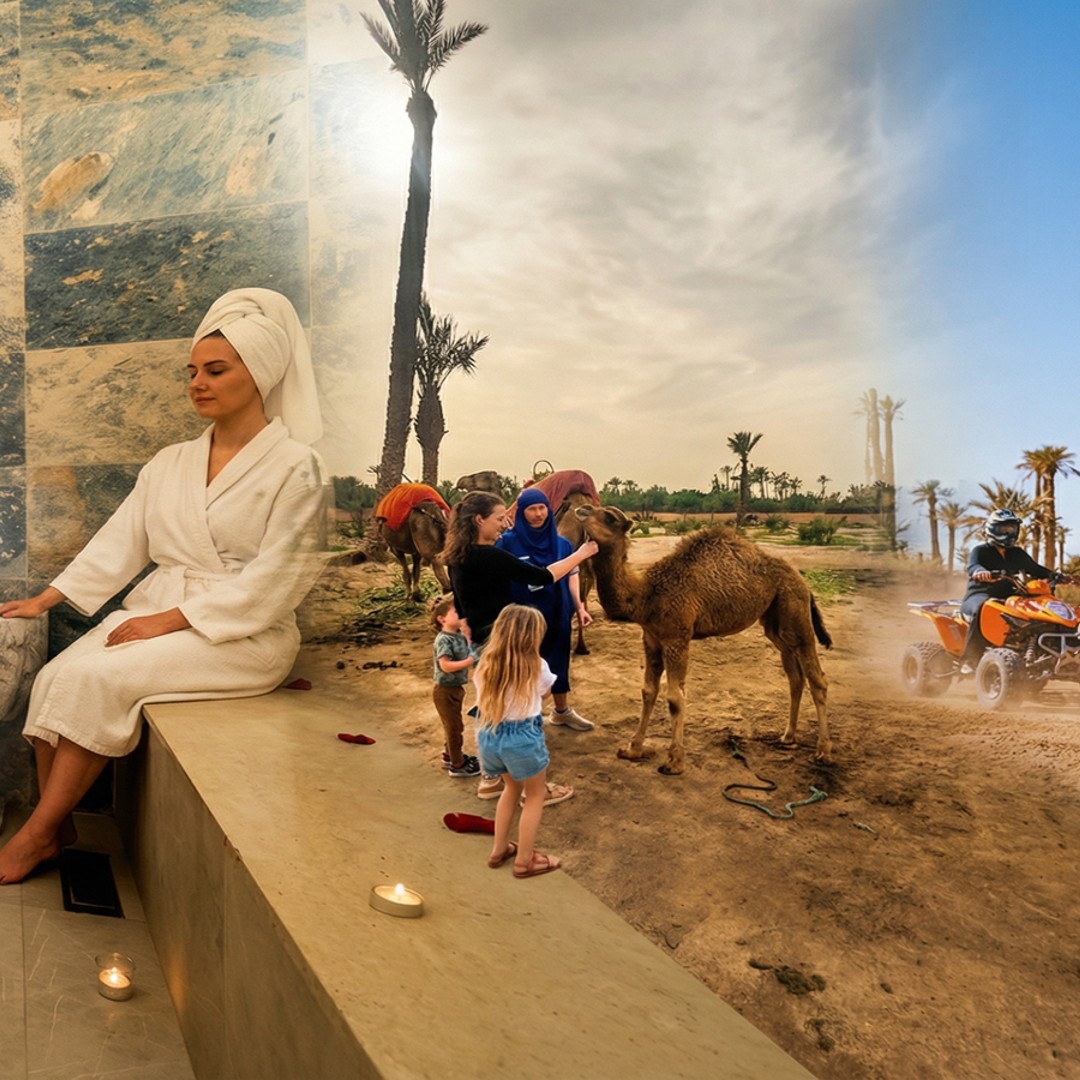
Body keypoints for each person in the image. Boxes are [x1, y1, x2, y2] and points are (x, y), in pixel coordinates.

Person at [0, 288, 327, 885]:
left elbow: (282, 576)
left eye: (216, 370)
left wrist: (174, 619)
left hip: (242, 634)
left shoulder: (296, 467)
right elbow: (120, 538)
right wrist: (49, 597)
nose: (197, 382)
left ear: (259, 374)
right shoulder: (171, 461)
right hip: (161, 611)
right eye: (193, 372)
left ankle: (35, 835)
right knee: (53, 677)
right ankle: (60, 825)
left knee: (97, 679)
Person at [443, 490, 597, 801]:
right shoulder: (491, 556)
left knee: (490, 710)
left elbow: (460, 606)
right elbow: (542, 575)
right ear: (479, 520)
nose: (504, 524)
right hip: (506, 641)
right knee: (523, 716)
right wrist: (581, 555)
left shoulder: (456, 557)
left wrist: (471, 635)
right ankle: (534, 787)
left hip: (484, 642)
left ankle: (490, 779)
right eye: (499, 518)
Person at [475, 605, 563, 878]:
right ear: (533, 636)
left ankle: (499, 849)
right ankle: (525, 860)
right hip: (522, 737)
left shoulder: (485, 663)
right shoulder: (537, 665)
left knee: (509, 790)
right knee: (535, 795)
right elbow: (547, 692)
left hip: (489, 735)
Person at [497, 487, 593, 730]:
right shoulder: (507, 543)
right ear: (522, 512)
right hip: (523, 619)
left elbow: (572, 573)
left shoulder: (562, 544)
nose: (538, 514)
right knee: (525, 666)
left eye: (542, 508)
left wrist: (579, 607)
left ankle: (561, 711)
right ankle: (526, 716)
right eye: (532, 509)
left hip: (558, 612)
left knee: (559, 662)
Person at [959, 508, 1069, 671]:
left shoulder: (1016, 553)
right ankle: (969, 660)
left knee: (1040, 613)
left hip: (1011, 598)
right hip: (980, 595)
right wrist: (980, 573)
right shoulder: (981, 551)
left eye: (1012, 529)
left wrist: (1057, 576)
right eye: (1003, 529)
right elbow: (973, 566)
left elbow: (1035, 569)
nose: (1009, 533)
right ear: (991, 529)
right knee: (984, 608)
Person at [430, 594, 479, 777]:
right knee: (454, 729)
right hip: (444, 691)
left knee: (453, 725)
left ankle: (449, 755)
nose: (461, 613)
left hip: (456, 689)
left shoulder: (457, 635)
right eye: (456, 611)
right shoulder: (444, 640)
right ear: (442, 619)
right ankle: (458, 765)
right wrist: (470, 661)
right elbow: (445, 666)